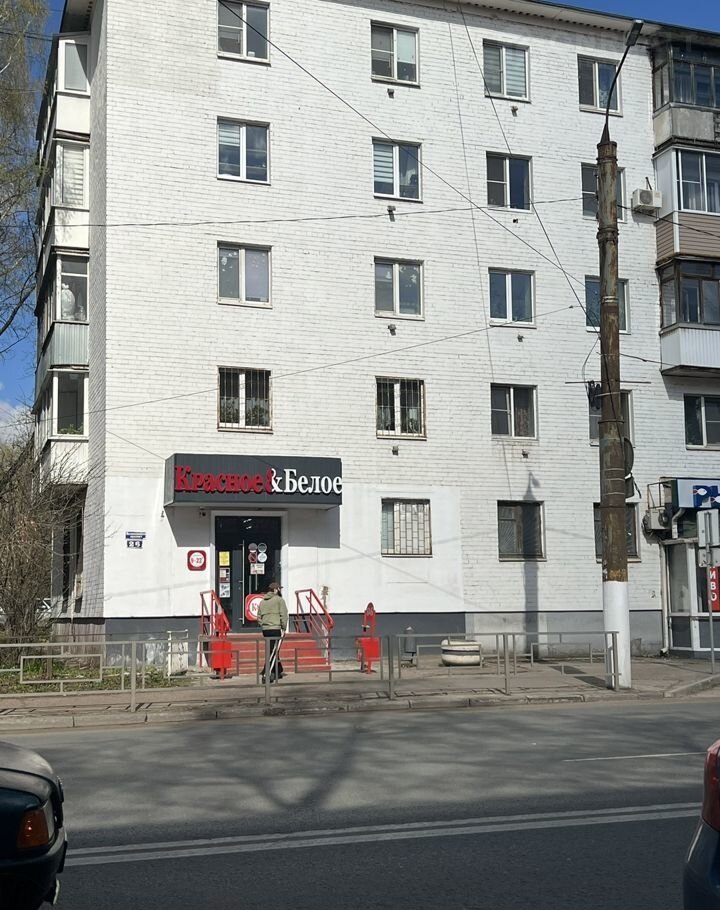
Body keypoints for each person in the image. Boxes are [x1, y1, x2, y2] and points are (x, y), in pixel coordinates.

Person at [257, 581, 288, 683]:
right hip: (275, 628)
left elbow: (258, 617)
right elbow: (284, 615)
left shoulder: (263, 602)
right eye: (279, 589)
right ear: (275, 590)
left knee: (272, 650)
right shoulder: (279, 600)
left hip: (266, 630)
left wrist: (263, 625)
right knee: (273, 651)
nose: (280, 591)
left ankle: (278, 669)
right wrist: (284, 627)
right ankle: (268, 673)